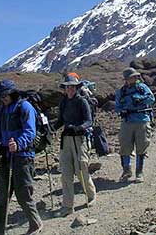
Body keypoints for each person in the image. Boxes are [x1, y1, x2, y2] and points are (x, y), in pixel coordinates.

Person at [0, 79, 43, 235]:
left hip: (23, 156)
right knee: (1, 195)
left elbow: (30, 132)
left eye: (5, 95)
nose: (3, 98)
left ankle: (35, 223)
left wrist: (18, 144)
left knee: (23, 193)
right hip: (6, 156)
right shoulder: (2, 111)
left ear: (12, 93)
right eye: (1, 96)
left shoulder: (25, 107)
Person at [54, 74, 96, 217]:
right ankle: (67, 205)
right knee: (66, 172)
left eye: (72, 87)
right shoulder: (64, 102)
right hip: (66, 139)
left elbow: (89, 121)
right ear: (65, 89)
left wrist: (78, 128)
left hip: (79, 139)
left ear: (76, 88)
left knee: (81, 169)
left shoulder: (82, 101)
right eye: (68, 87)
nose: (70, 89)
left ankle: (91, 195)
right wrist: (52, 127)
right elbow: (60, 120)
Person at [115, 67, 155, 183]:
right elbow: (117, 107)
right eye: (132, 77)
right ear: (127, 79)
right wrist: (122, 111)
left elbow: (151, 99)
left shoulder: (142, 88)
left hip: (142, 120)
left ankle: (139, 172)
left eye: (135, 76)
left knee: (141, 146)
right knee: (125, 147)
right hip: (127, 122)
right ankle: (126, 170)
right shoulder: (121, 92)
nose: (135, 78)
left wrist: (141, 99)